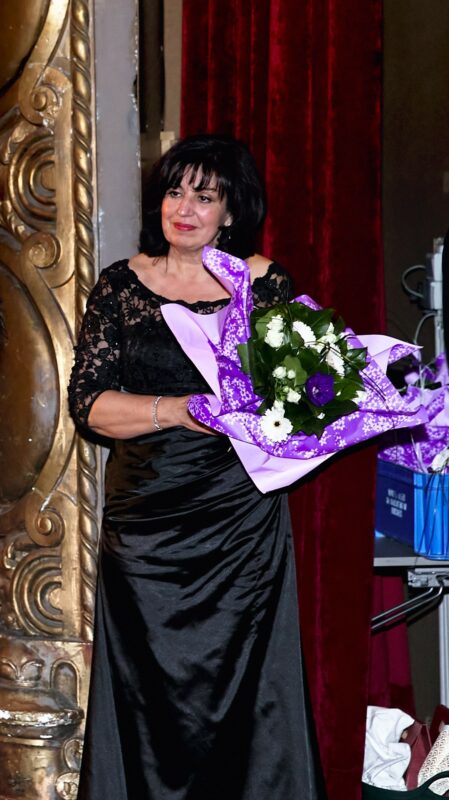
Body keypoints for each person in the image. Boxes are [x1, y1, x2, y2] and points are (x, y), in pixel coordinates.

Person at [69, 133, 319, 799]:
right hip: (145, 528)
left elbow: (296, 404)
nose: (184, 208)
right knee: (145, 697)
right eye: (174, 192)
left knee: (247, 694)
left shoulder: (265, 285)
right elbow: (89, 405)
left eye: (204, 197)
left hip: (240, 527)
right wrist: (179, 411)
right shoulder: (120, 286)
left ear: (231, 211)